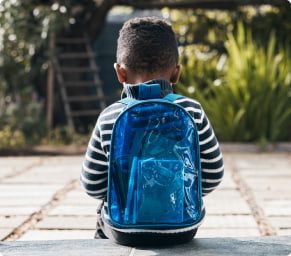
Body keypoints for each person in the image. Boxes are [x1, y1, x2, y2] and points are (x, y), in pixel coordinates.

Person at [80, 16, 224, 246]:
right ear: (176, 73)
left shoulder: (109, 116)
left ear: (120, 73)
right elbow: (214, 175)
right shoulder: (193, 111)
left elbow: (92, 185)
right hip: (182, 227)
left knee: (102, 215)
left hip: (124, 230)